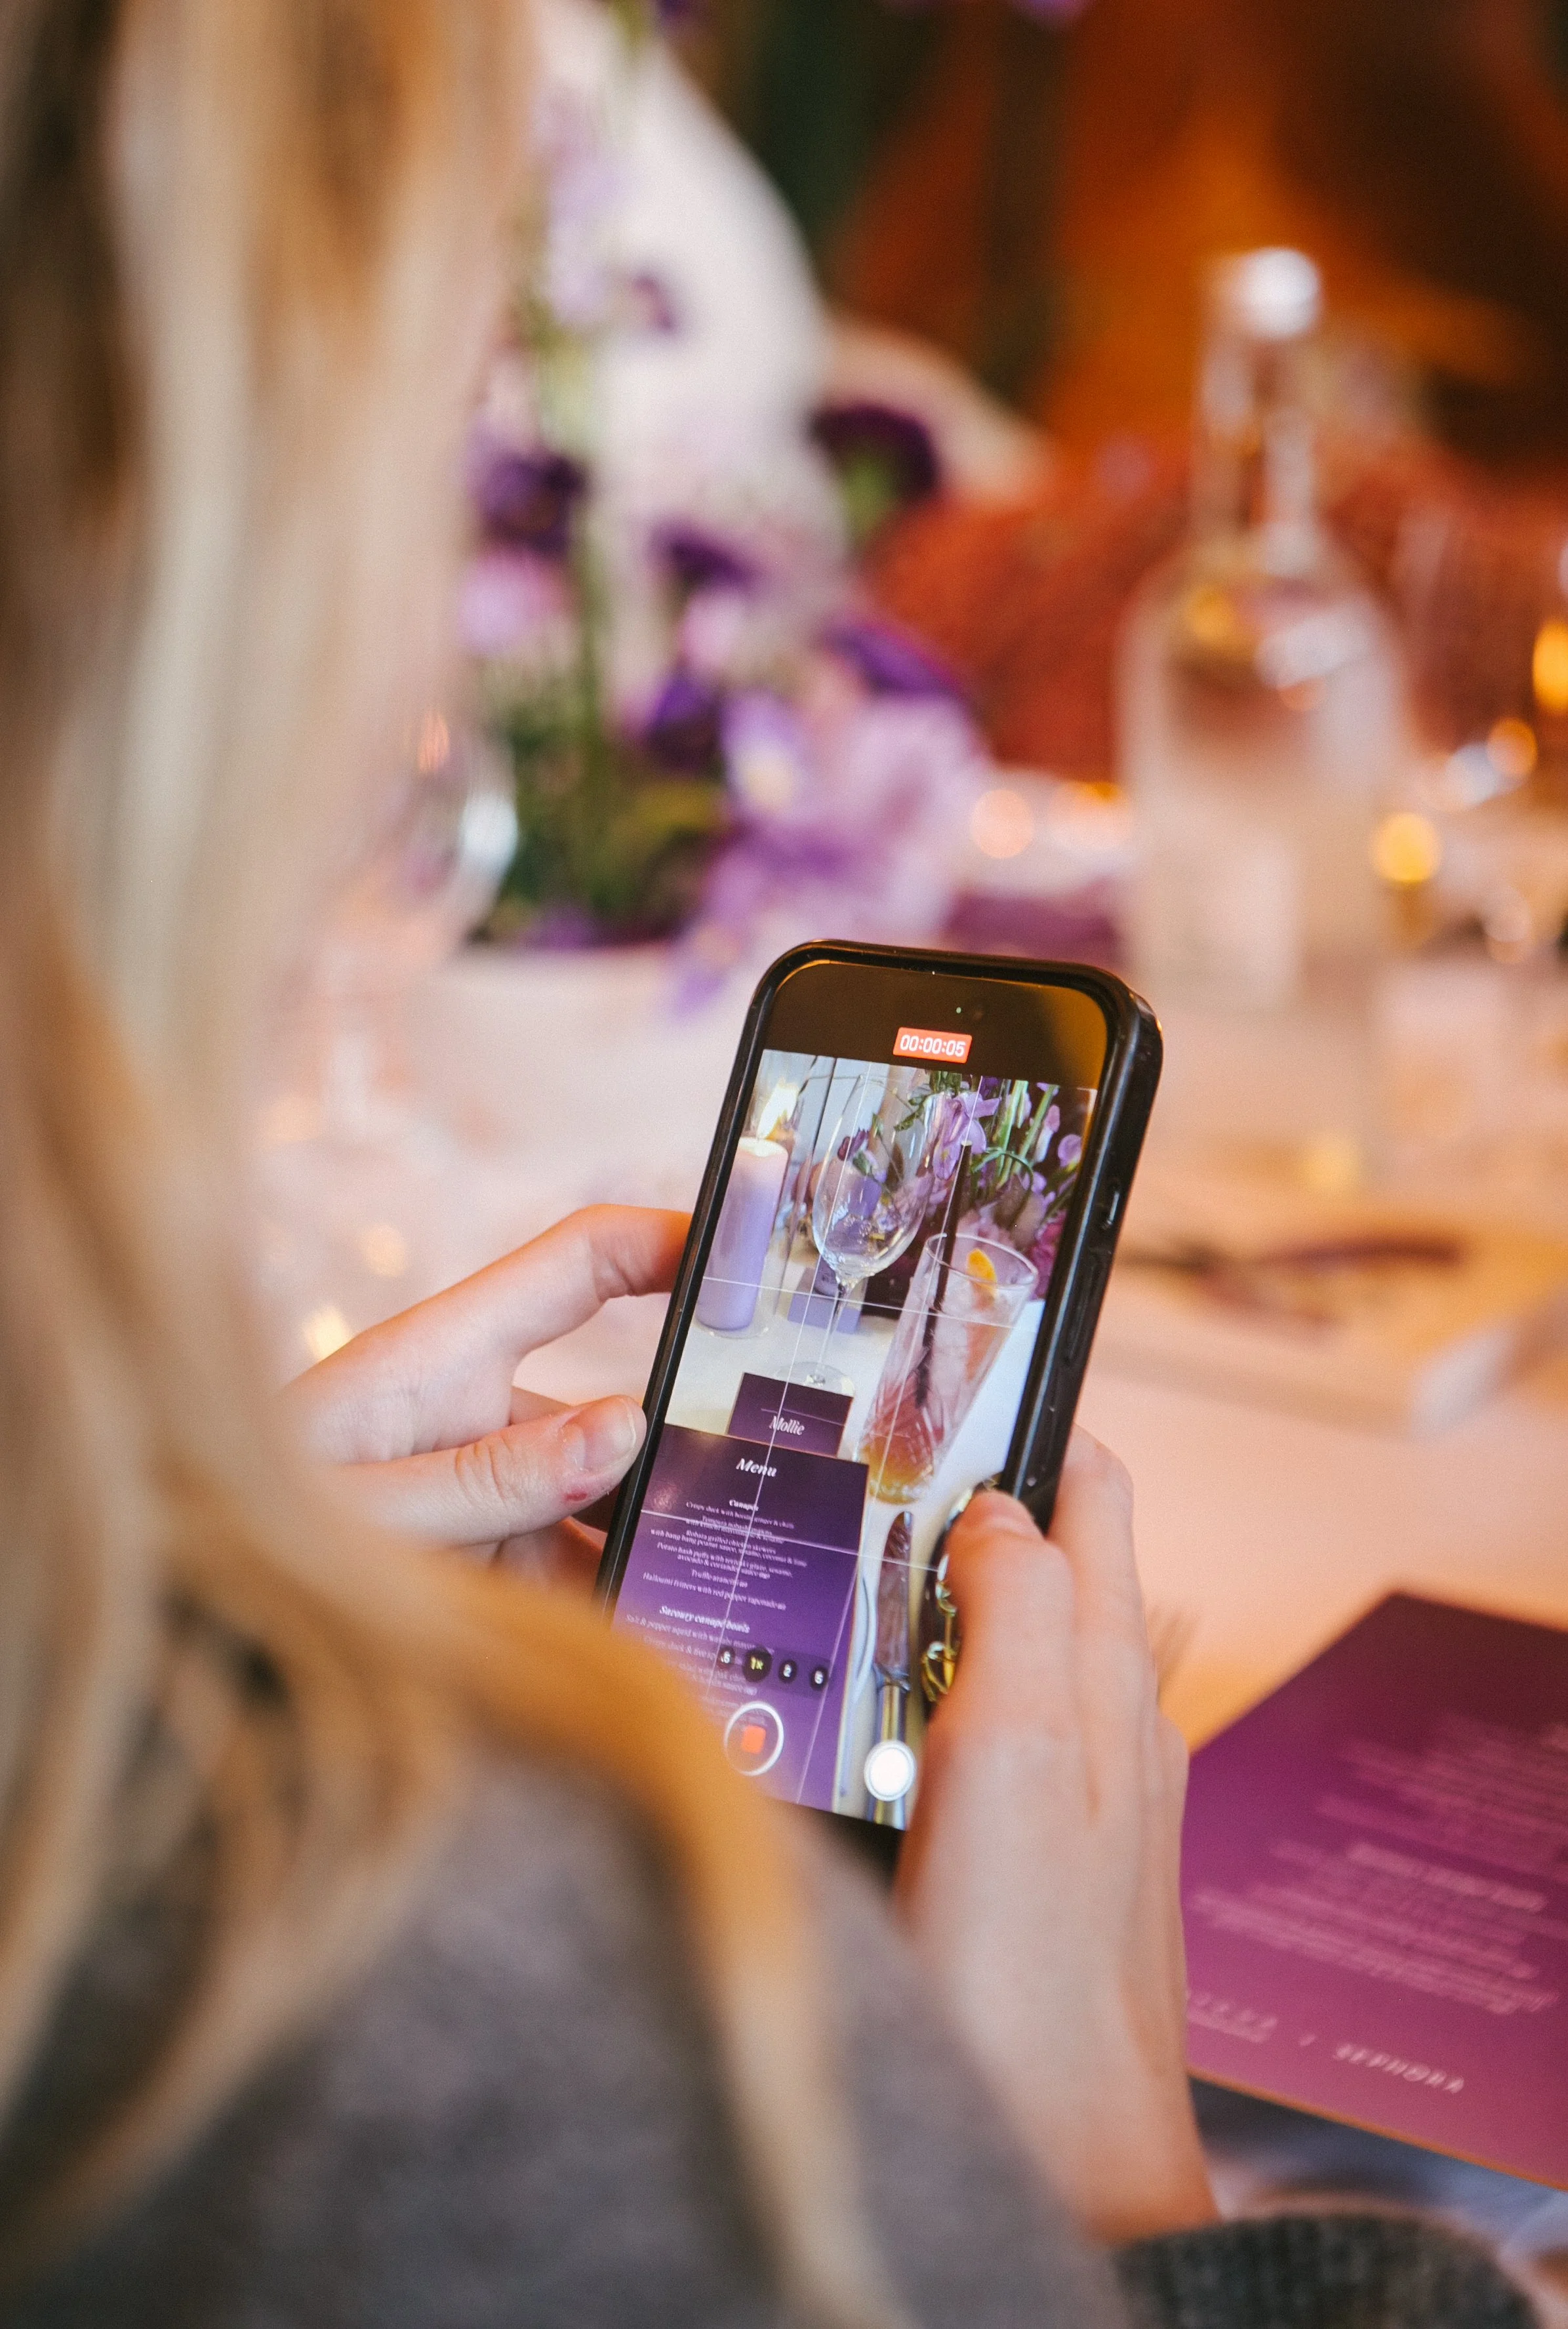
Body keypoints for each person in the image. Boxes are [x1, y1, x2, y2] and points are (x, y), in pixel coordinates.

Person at [0, 5, 1535, 2325]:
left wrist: (197, 1607)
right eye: (430, 473)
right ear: (212, 572)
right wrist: (1094, 2163)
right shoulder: (546, 2036)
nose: (421, 684)